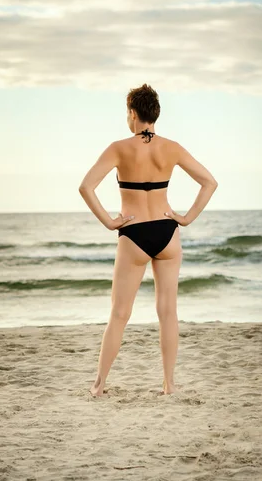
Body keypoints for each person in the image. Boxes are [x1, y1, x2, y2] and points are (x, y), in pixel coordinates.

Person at [78, 84, 218, 397]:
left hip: (135, 233)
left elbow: (86, 187)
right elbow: (209, 182)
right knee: (168, 312)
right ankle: (169, 385)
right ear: (155, 114)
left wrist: (110, 222)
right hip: (167, 234)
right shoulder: (172, 147)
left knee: (119, 314)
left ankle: (99, 386)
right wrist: (186, 218)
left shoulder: (118, 148)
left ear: (133, 113)